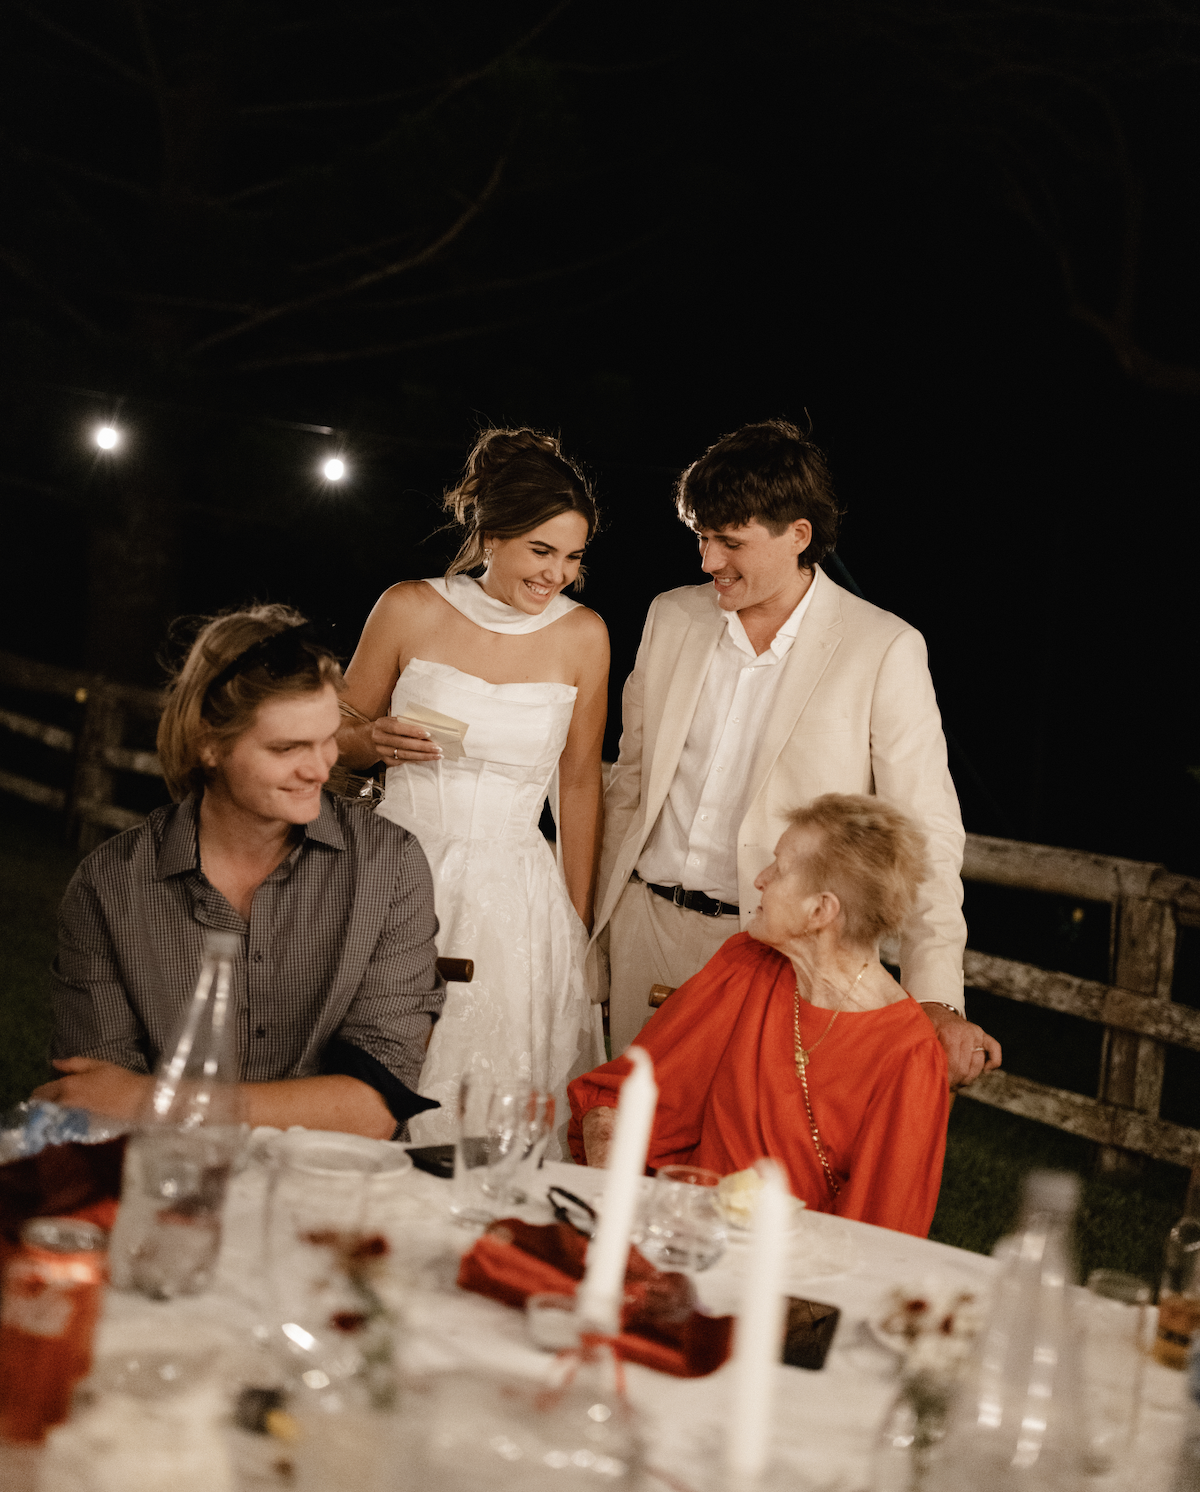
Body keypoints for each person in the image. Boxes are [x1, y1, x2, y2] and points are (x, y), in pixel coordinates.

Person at [590, 419, 1000, 1087]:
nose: (707, 562)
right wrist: (595, 934)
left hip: (780, 954)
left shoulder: (884, 648)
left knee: (739, 1173)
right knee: (617, 1142)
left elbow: (925, 837)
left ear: (798, 535)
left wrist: (937, 998)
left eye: (730, 542)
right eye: (701, 538)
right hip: (643, 934)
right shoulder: (670, 616)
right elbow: (629, 786)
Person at [35, 607, 444, 1138]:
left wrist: (153, 1099)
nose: (320, 768)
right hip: (167, 1183)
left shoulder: (389, 866)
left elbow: (373, 1106)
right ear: (209, 743)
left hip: (331, 1191)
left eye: (327, 739)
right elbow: (95, 1103)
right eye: (287, 748)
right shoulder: (110, 885)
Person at [337, 427, 609, 1151]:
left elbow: (579, 784)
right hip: (395, 863)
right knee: (373, 1063)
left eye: (573, 558)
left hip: (514, 896)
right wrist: (369, 742)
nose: (557, 575)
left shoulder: (585, 636)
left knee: (485, 1095)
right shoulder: (408, 607)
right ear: (492, 533)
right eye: (541, 552)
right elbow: (331, 735)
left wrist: (574, 923)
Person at [571, 795, 949, 1237]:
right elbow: (613, 1105)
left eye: (779, 868)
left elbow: (875, 1244)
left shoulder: (908, 1055)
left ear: (821, 911)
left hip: (782, 1283)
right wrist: (622, 1222)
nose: (759, 879)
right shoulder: (747, 965)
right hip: (674, 1239)